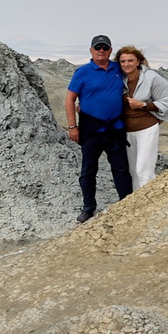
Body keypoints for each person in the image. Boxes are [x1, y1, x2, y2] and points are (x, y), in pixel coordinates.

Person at [63, 34, 132, 220]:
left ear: (110, 51)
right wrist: (72, 126)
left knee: (121, 169)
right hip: (91, 130)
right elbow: (70, 100)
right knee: (88, 170)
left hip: (115, 129)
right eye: (97, 47)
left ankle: (127, 203)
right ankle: (88, 207)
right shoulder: (83, 72)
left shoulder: (119, 69)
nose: (101, 50)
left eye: (105, 47)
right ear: (91, 51)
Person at [119, 45, 168, 186]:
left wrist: (143, 105)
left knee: (144, 170)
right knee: (132, 170)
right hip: (127, 130)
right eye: (123, 61)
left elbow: (167, 101)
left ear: (138, 61)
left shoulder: (152, 78)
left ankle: (149, 204)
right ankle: (136, 203)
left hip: (146, 129)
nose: (126, 64)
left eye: (130, 60)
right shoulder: (119, 78)